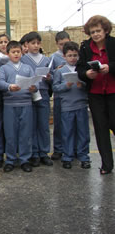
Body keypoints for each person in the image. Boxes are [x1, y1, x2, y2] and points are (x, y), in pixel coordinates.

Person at [76, 15, 115, 175]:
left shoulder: (113, 43)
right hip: (96, 93)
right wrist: (87, 74)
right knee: (100, 128)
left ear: (105, 30)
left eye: (98, 31)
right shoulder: (85, 47)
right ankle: (106, 164)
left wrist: (109, 67)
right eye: (92, 32)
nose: (96, 34)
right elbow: (79, 70)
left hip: (113, 91)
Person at [0, 41, 37, 173]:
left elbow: (35, 83)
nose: (16, 54)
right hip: (9, 105)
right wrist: (9, 86)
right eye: (13, 52)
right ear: (8, 53)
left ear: (22, 53)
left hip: (26, 104)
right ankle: (10, 160)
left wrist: (33, 87)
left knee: (25, 134)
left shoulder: (27, 68)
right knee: (10, 133)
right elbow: (0, 83)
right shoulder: (4, 68)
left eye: (18, 52)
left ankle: (25, 160)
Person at [53, 41, 91, 169]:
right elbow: (55, 88)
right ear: (64, 56)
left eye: (75, 55)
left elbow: (89, 86)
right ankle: (67, 156)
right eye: (69, 55)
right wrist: (66, 85)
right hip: (66, 106)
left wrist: (82, 85)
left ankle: (83, 156)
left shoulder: (82, 70)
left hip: (81, 105)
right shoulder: (60, 71)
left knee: (83, 132)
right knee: (67, 132)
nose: (72, 58)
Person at [21, 31, 53, 167]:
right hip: (29, 94)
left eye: (38, 43)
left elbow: (53, 79)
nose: (35, 46)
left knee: (43, 125)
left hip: (43, 93)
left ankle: (44, 152)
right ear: (26, 45)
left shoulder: (46, 60)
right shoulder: (23, 60)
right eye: (32, 43)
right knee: (31, 125)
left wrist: (50, 78)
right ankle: (33, 153)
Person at [49, 31, 71, 160]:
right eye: (61, 44)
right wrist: (55, 73)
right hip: (59, 95)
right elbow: (49, 74)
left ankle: (72, 147)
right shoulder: (54, 58)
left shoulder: (75, 55)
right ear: (57, 44)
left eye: (66, 44)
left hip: (73, 95)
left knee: (73, 123)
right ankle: (58, 148)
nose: (64, 47)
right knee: (58, 123)